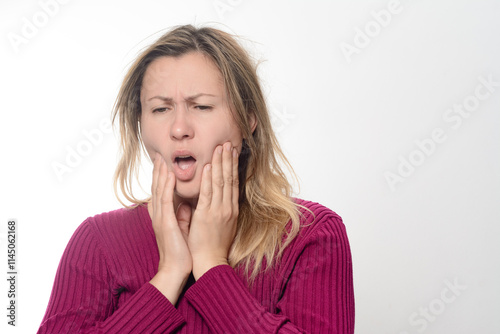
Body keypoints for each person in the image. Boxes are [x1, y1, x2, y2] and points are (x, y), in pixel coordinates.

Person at [38, 24, 354, 333]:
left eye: (201, 106)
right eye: (160, 109)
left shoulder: (312, 235)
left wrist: (211, 265)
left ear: (248, 121)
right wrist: (168, 276)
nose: (179, 129)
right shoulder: (99, 241)